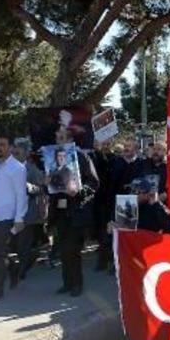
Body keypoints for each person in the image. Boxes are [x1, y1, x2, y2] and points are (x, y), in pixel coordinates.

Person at [121, 180, 170, 340]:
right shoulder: (127, 205)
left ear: (147, 193)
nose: (135, 195)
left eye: (139, 192)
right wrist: (111, 228)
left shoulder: (155, 207)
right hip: (131, 265)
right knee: (135, 307)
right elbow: (121, 231)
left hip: (151, 264)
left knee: (152, 305)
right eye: (133, 192)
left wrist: (156, 203)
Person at [50, 127, 100, 297]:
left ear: (70, 140)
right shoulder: (54, 159)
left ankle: (77, 284)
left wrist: (78, 192)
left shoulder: (81, 157)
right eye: (57, 138)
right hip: (60, 212)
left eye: (62, 138)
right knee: (63, 250)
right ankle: (67, 283)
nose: (59, 140)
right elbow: (51, 186)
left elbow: (94, 184)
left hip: (76, 211)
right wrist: (46, 183)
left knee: (73, 249)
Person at [0, 134, 28, 303]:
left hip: (7, 216)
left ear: (10, 147)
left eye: (2, 144)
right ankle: (13, 267)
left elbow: (21, 194)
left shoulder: (17, 168)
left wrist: (19, 218)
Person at [11, 141, 49, 280]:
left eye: (18, 151)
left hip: (28, 213)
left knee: (23, 244)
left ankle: (21, 271)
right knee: (14, 244)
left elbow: (42, 189)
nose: (15, 154)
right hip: (11, 213)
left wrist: (28, 187)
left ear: (26, 153)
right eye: (14, 150)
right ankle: (30, 257)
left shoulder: (32, 169)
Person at [90, 140, 114, 272]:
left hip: (110, 200)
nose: (104, 145)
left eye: (106, 143)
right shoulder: (93, 157)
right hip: (99, 200)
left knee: (109, 232)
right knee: (100, 231)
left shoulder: (115, 159)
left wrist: (99, 152)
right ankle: (103, 259)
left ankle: (108, 260)